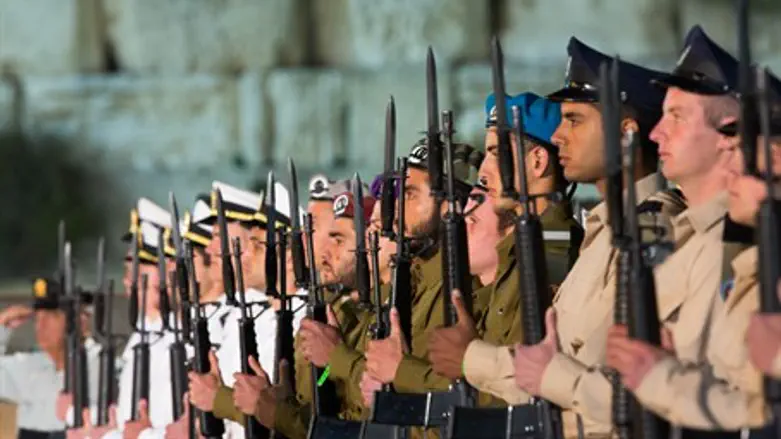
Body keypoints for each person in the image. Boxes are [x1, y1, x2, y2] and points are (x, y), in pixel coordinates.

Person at [462, 36, 686, 438]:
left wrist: (472, 357)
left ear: (626, 134)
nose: (560, 135)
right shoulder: (604, 235)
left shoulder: (652, 231)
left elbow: (612, 385)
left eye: (575, 120)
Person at [608, 63, 781, 431]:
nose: (733, 166)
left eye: (742, 148)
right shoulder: (749, 260)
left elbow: (755, 415)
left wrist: (661, 378)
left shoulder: (735, 252)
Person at [428, 92, 583, 407]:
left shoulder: (554, 243)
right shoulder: (518, 249)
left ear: (538, 162)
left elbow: (529, 367)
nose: (483, 172)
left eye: (497, 153)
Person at [0, 277, 98, 439]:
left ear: (80, 321)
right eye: (38, 318)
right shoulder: (27, 366)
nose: (41, 325)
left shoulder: (101, 367)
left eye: (51, 316)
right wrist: (2, 326)